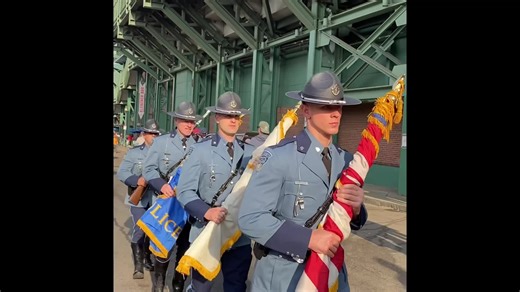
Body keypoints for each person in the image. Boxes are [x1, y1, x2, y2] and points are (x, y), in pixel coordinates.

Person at [238, 71, 368, 292]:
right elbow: (251, 218)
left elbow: (347, 216)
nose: (336, 113)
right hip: (285, 275)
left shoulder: (346, 159)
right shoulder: (279, 156)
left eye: (339, 107)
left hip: (330, 273)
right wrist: (308, 238)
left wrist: (357, 209)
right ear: (306, 110)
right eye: (326, 107)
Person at [176, 92, 255, 292]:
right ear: (217, 117)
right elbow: (184, 191)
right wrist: (206, 211)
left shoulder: (249, 154)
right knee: (201, 288)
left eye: (236, 116)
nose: (233, 120)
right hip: (207, 230)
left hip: (238, 235)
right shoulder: (200, 150)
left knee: (236, 287)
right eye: (228, 115)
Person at [142, 101, 202, 292]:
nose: (189, 125)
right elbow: (149, 168)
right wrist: (162, 185)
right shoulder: (162, 142)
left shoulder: (200, 146)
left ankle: (178, 283)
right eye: (185, 120)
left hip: (187, 207)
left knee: (184, 248)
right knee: (163, 247)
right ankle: (159, 284)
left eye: (192, 121)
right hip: (167, 204)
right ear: (176, 120)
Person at [116, 119, 161, 280]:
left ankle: (148, 258)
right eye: (151, 133)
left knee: (153, 231)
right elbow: (122, 173)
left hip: (156, 199)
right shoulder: (134, 153)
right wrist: (137, 180)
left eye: (156, 133)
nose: (154, 136)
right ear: (144, 134)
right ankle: (138, 266)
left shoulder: (162, 154)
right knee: (140, 229)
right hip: (139, 199)